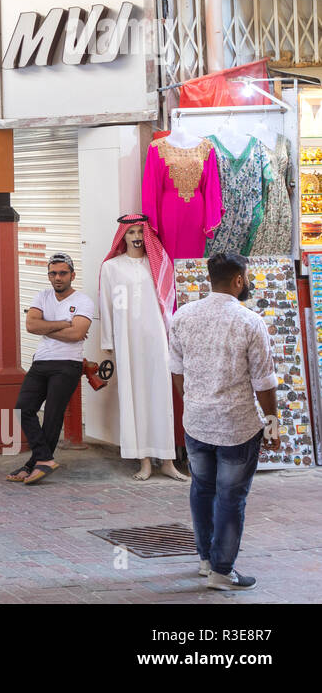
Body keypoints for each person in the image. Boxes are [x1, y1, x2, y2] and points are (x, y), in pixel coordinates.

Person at [170, 252, 280, 590]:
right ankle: (221, 571)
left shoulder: (182, 316)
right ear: (238, 280)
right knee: (232, 497)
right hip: (237, 425)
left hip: (197, 423)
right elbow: (264, 382)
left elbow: (177, 372)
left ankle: (206, 561)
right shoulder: (249, 321)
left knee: (202, 490)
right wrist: (272, 421)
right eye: (244, 278)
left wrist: (193, 403)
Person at [99, 214, 185, 481]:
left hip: (157, 337)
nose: (136, 237)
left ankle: (168, 461)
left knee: (161, 397)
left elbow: (170, 305)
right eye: (131, 232)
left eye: (140, 232)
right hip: (127, 340)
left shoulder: (158, 264)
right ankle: (144, 461)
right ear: (122, 236)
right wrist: (108, 341)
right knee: (133, 395)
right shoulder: (112, 267)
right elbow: (107, 306)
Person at [6, 254, 94, 485]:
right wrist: (63, 323)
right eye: (53, 273)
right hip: (41, 362)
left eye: (63, 273)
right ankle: (44, 459)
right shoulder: (43, 296)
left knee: (52, 418)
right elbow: (31, 325)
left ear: (72, 275)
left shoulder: (83, 301)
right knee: (22, 409)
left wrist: (46, 328)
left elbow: (76, 334)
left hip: (67, 364)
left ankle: (32, 464)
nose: (57, 277)